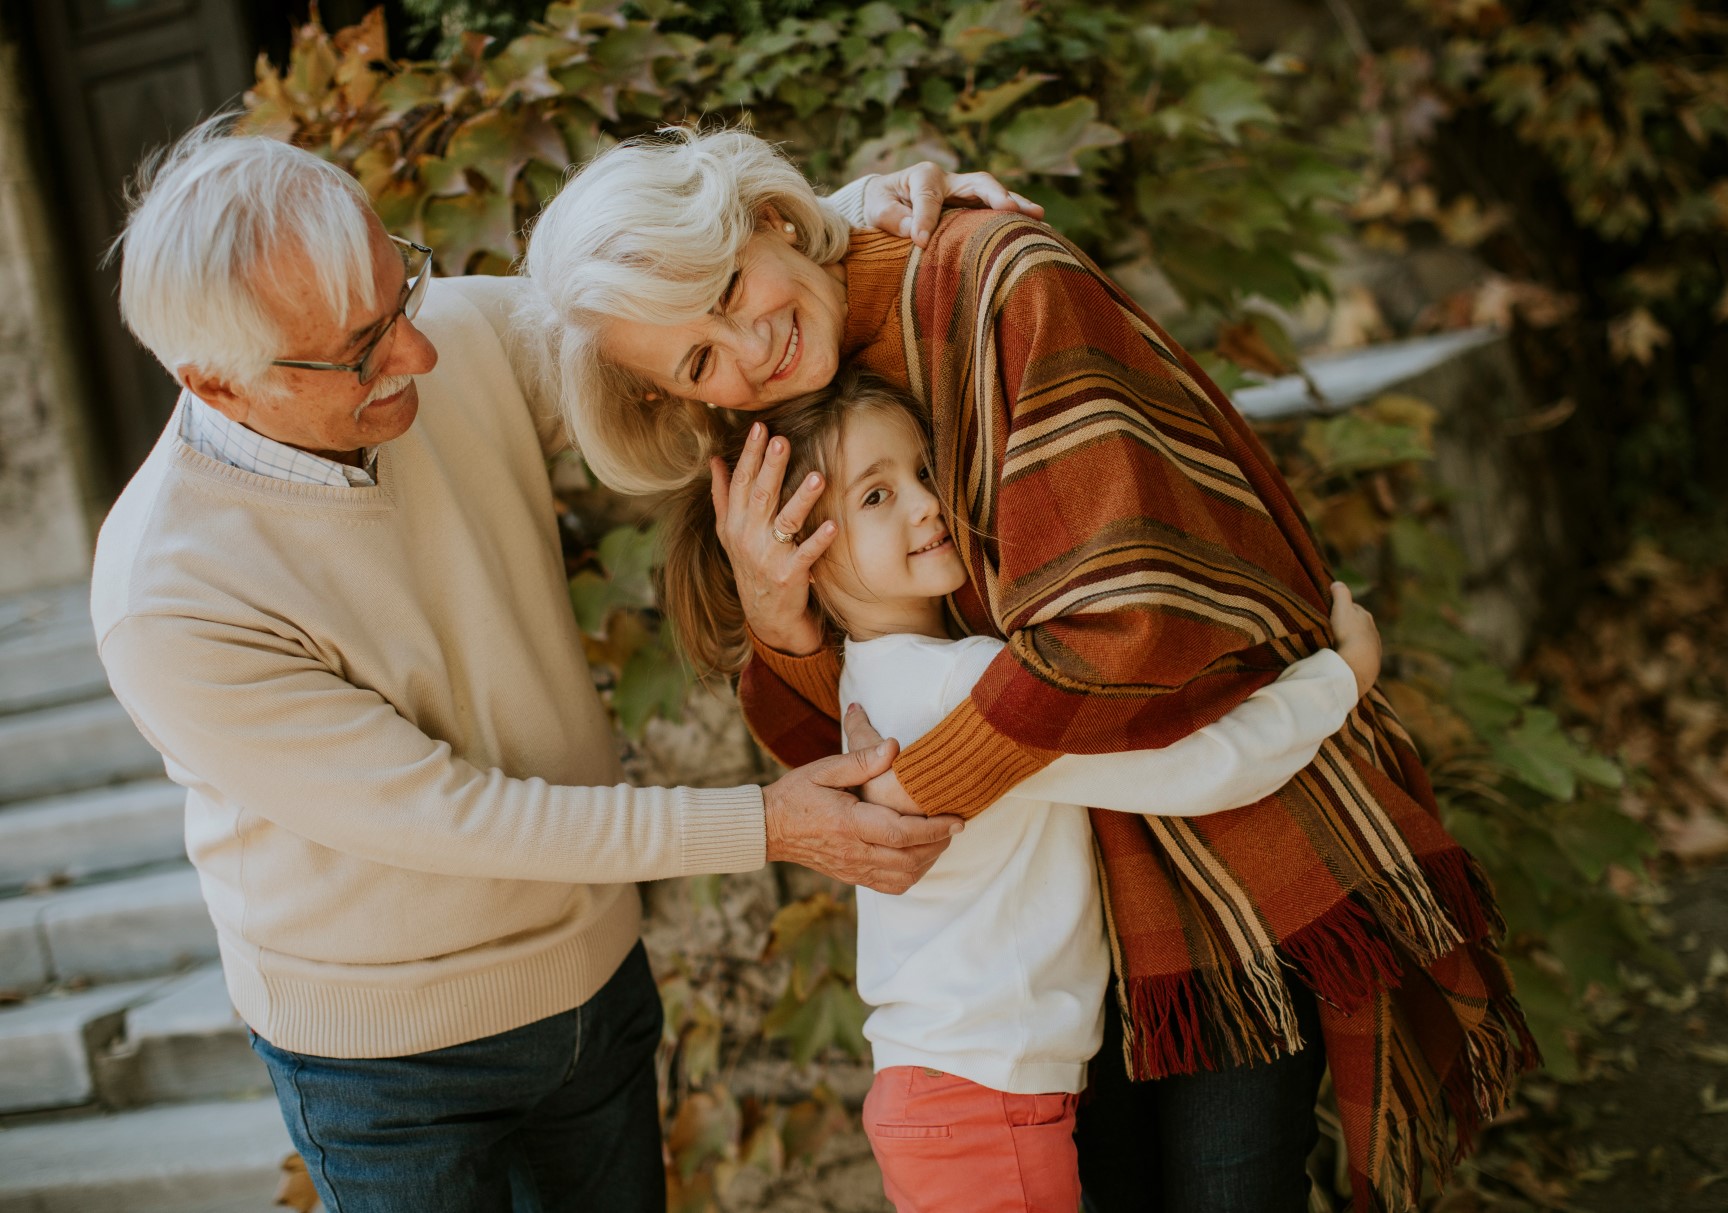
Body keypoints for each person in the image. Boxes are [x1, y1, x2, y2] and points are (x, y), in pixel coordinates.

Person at [522, 126, 1536, 1213]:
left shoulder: (1000, 281)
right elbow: (846, 748)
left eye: (727, 287)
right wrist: (780, 621)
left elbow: (1123, 633)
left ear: (771, 218)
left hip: (1219, 854)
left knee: (1227, 1189)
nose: (746, 345)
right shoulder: (787, 426)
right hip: (1047, 934)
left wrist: (929, 776)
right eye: (695, 360)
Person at [91, 117, 1037, 1213]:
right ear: (218, 383)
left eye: (402, 286)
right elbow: (453, 817)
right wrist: (770, 825)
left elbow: (652, 311)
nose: (423, 352)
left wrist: (844, 215)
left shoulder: (433, 342)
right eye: (363, 349)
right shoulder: (165, 597)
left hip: (592, 990)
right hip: (388, 1068)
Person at [657, 368, 1379, 1213]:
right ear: (802, 556)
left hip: (945, 1090)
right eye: (877, 496)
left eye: (924, 471)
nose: (928, 503)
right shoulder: (969, 687)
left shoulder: (868, 677)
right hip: (983, 1102)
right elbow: (1197, 769)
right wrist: (1339, 678)